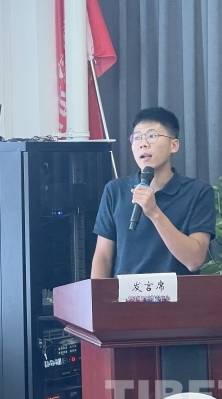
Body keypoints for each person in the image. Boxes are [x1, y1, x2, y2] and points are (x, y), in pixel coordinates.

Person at [91, 107, 215, 278]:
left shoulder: (198, 192)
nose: (143, 144)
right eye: (137, 137)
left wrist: (154, 212)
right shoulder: (115, 190)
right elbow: (103, 257)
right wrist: (98, 295)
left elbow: (194, 260)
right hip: (126, 294)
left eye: (152, 136)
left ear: (174, 145)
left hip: (178, 294)